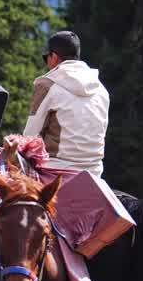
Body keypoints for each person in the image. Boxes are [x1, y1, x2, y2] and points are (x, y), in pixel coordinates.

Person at [22, 31, 110, 176]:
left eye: (46, 58)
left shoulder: (47, 85)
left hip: (55, 170)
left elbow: (30, 136)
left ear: (54, 57)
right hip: (94, 173)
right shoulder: (101, 89)